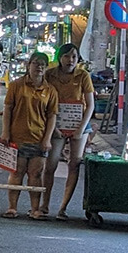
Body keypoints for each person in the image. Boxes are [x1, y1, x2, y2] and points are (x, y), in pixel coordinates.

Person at [0, 51, 59, 219]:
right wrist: (6, 131)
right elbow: (8, 109)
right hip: (17, 137)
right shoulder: (16, 85)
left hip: (39, 138)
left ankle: (35, 209)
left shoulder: (50, 90)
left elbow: (52, 116)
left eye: (42, 64)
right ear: (28, 65)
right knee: (16, 173)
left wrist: (47, 138)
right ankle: (12, 207)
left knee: (36, 174)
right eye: (35, 63)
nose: (39, 67)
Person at [42, 43, 95, 219]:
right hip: (57, 123)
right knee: (51, 164)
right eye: (66, 56)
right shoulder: (50, 75)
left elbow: (90, 105)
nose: (70, 60)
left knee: (74, 163)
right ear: (59, 57)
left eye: (74, 56)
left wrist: (80, 129)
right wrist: (53, 127)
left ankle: (63, 208)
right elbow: (46, 102)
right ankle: (44, 205)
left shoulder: (83, 75)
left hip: (79, 124)